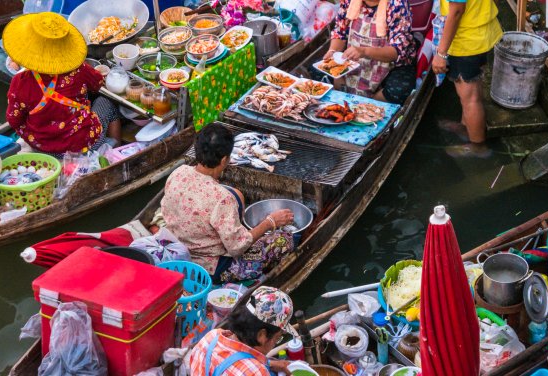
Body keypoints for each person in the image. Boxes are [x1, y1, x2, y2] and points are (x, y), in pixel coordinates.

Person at [161, 124, 295, 284]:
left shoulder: (179, 172)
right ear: (224, 160)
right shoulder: (222, 198)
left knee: (236, 194)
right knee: (285, 239)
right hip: (210, 268)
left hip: (177, 251)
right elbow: (237, 247)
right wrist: (270, 222)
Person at [3, 12, 121, 156]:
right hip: (82, 142)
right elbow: (98, 83)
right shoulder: (79, 70)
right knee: (108, 101)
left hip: (41, 145)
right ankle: (115, 154)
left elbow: (14, 120)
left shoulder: (19, 81)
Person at [431, 0, 502, 157]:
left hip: (466, 40)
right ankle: (465, 128)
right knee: (469, 94)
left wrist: (441, 53)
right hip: (482, 32)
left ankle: (478, 146)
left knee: (470, 99)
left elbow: (456, 11)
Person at [187, 286, 296, 376]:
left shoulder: (211, 336)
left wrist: (269, 363)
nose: (275, 343)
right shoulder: (257, 372)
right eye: (277, 338)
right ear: (262, 336)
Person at [325, 0, 417, 104]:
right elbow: (340, 31)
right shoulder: (349, 1)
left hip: (390, 65)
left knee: (399, 90)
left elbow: (397, 51)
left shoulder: (397, 4)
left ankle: (371, 104)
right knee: (317, 72)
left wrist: (364, 51)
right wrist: (333, 52)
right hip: (353, 61)